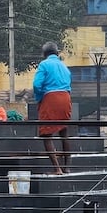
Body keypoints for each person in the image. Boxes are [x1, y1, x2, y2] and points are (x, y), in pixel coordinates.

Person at [33, 41, 72, 175]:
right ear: (56, 53)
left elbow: (37, 85)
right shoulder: (64, 66)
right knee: (64, 132)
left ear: (44, 54)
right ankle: (67, 167)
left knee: (46, 134)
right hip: (66, 98)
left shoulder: (44, 64)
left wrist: (39, 99)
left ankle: (57, 168)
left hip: (51, 98)